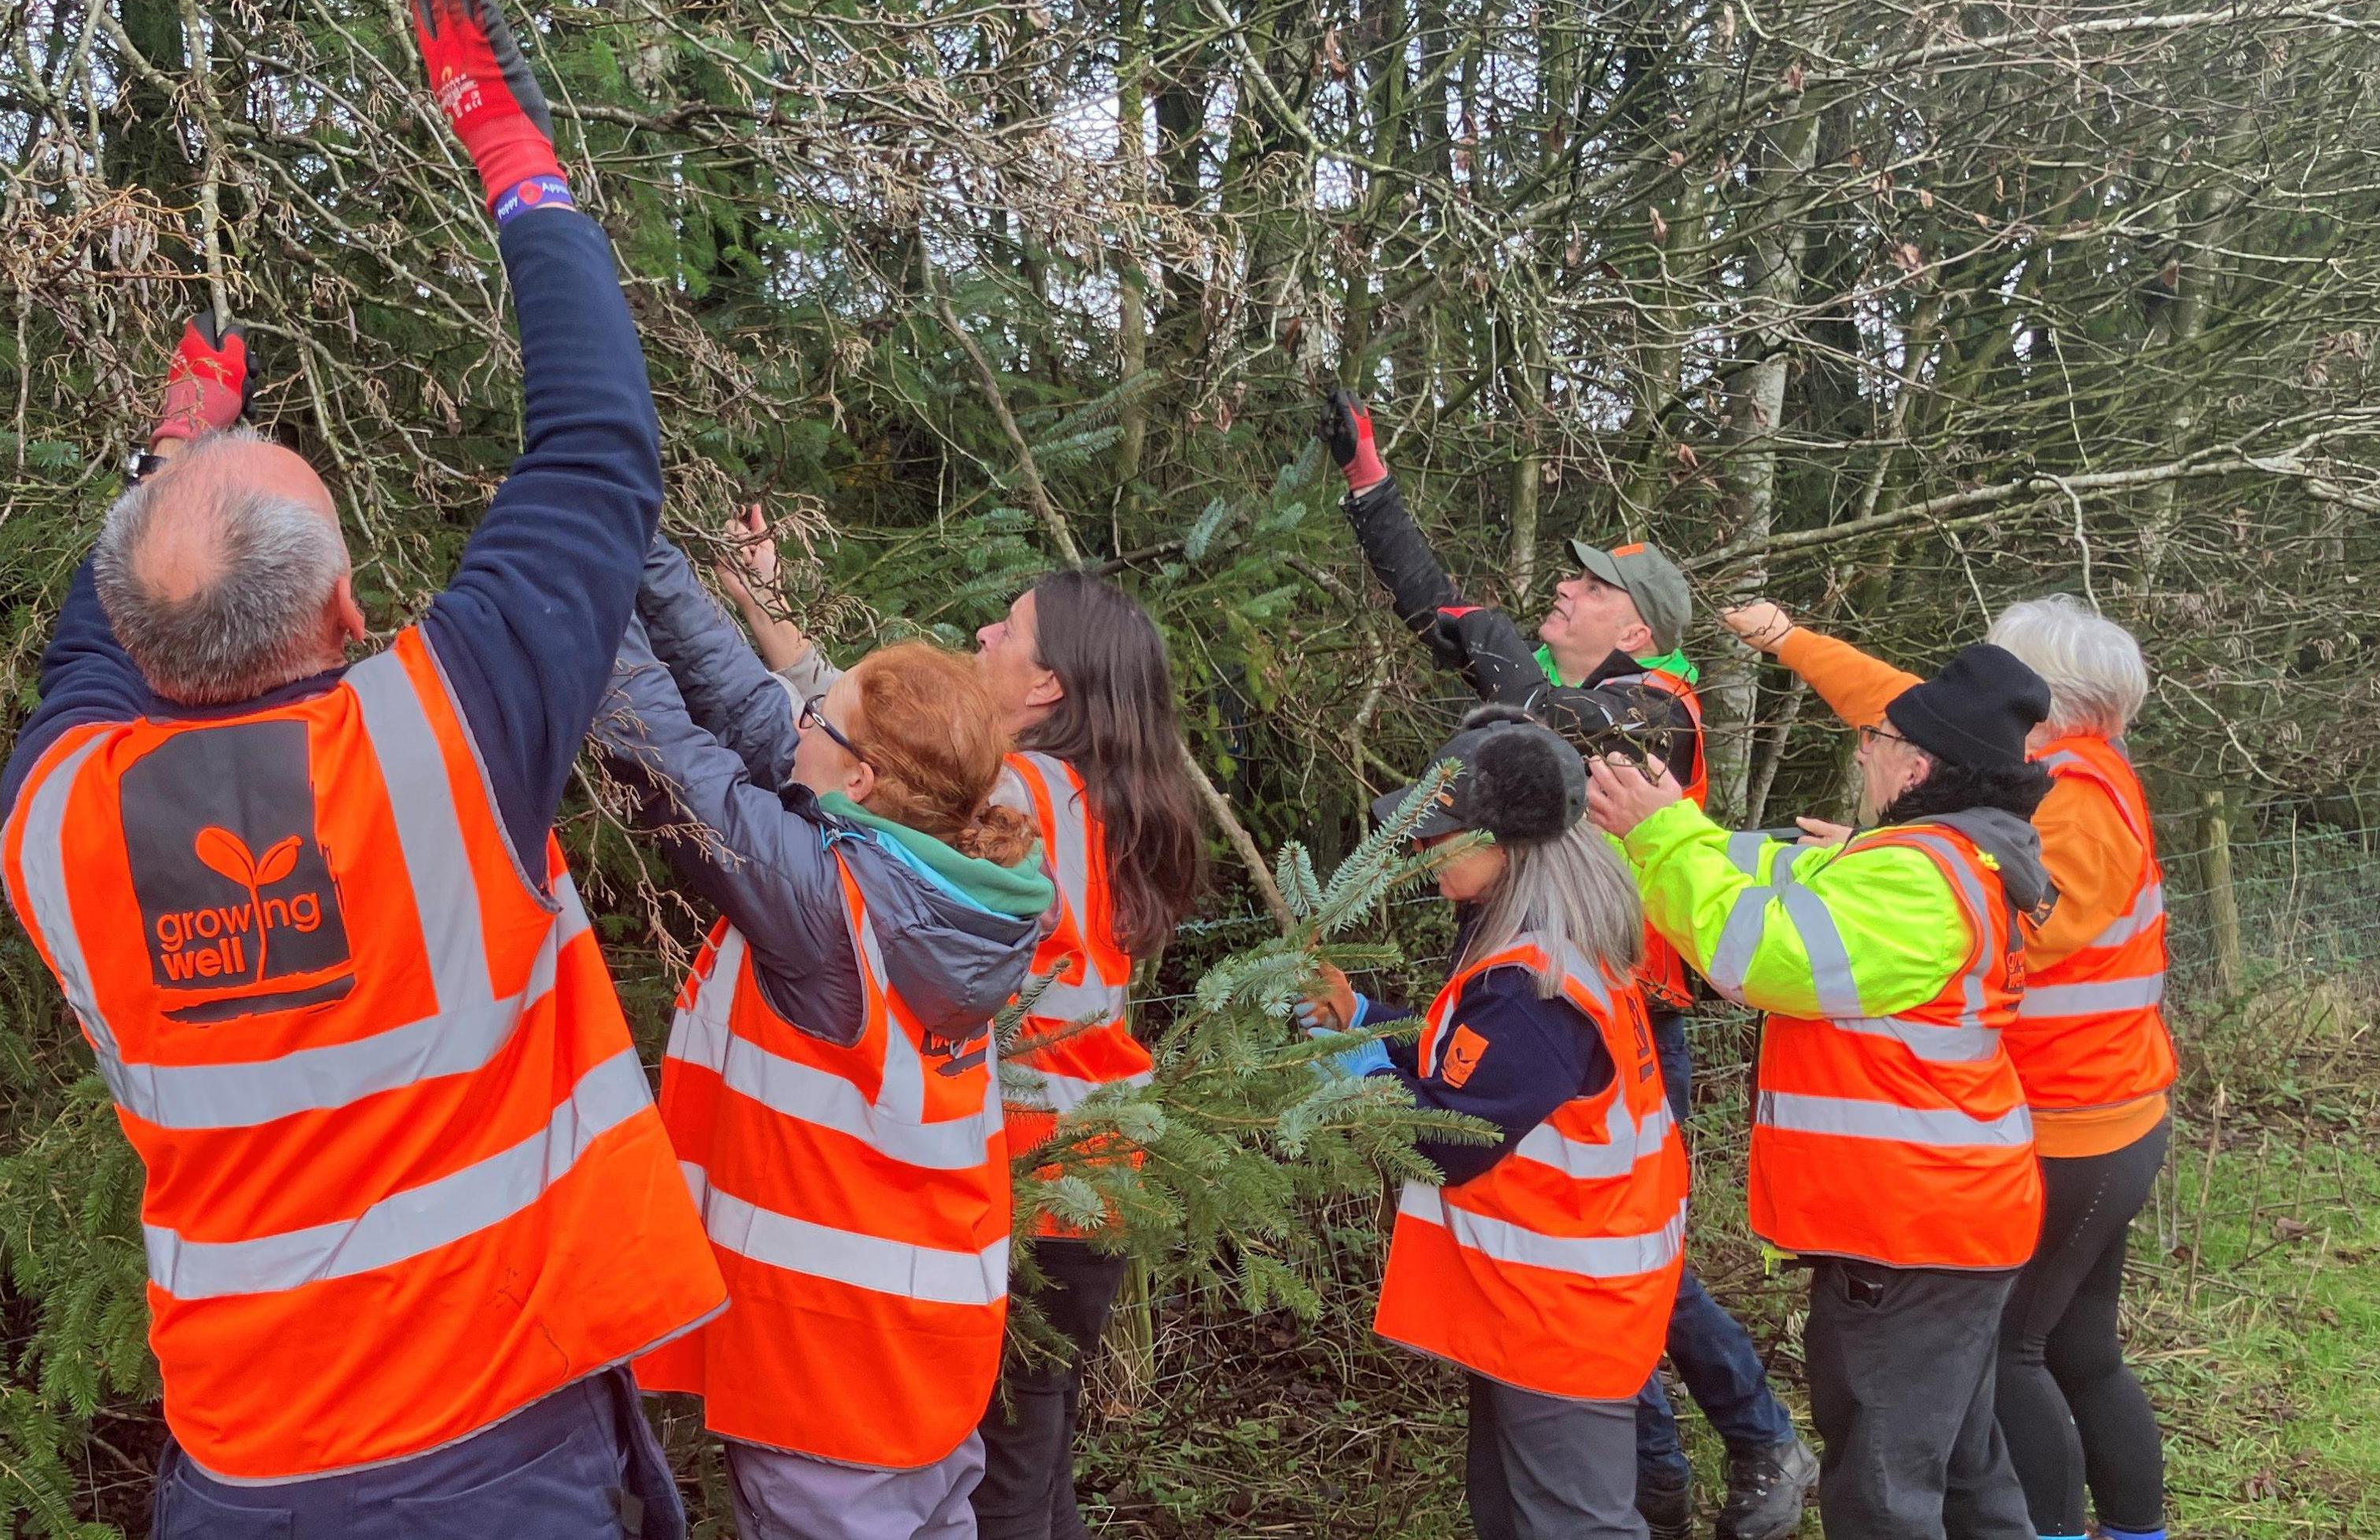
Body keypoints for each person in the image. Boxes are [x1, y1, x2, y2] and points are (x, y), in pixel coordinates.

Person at [0, 0, 724, 1538]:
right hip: (493, 1451)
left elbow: (83, 641)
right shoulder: (436, 739)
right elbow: (597, 439)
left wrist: (172, 453)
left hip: (245, 1469)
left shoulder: (53, 821)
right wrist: (503, 139)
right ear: (341, 621)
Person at [1316, 388, 1814, 1539]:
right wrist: (1369, 489)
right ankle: (1650, 1490)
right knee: (1597, 1259)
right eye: (1569, 575)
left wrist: (1490, 658)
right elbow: (1448, 614)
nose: (1566, 588)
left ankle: (1755, 1442)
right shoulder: (1558, 692)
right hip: (1536, 1004)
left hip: (1616, 1020)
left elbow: (1535, 715)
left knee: (1629, 1261)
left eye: (1591, 584)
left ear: (1638, 622)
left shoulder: (1653, 707)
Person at [716, 508, 1207, 1540]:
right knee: (1036, 1455)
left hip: (1035, 1176)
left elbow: (866, 746)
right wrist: (765, 597)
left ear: (1047, 689)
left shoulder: (1014, 790)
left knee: (1009, 1486)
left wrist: (760, 611)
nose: (983, 636)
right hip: (1102, 1173)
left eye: (1009, 630)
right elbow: (869, 730)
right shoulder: (1109, 798)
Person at [599, 532, 1056, 1540]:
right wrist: (639, 541)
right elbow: (752, 716)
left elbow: (660, 755)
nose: (796, 716)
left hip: (832, 1388)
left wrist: (574, 545)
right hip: (928, 1372)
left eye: (823, 716)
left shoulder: (829, 912)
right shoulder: (940, 881)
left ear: (864, 780)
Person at [1585, 644, 2061, 1540]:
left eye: (1875, 737)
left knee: (1884, 1494)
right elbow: (1767, 881)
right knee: (1961, 1473)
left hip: (1909, 1235)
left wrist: (1660, 832)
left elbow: (1758, 955)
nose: (1861, 751)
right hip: (1943, 1223)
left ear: (1918, 764)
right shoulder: (1930, 859)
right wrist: (1661, 828)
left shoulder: (1915, 877)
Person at [1721, 596, 2171, 1540]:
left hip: (2071, 1123)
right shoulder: (2074, 769)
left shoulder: (2075, 806)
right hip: (2100, 1112)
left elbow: (1999, 906)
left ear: (2042, 698)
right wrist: (1786, 638)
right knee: (2078, 1351)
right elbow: (1895, 699)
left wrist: (1882, 860)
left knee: (2014, 1355)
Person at [1304, 709, 1688, 1540]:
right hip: (1540, 1299)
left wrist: (1355, 1068)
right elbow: (1475, 1057)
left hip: (1560, 1311)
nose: (1421, 851)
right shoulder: (1533, 953)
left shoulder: (1535, 983)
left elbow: (1453, 1133)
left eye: (1440, 835)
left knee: (1574, 1523)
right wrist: (1366, 1017)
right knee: (1513, 1511)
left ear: (1506, 843)